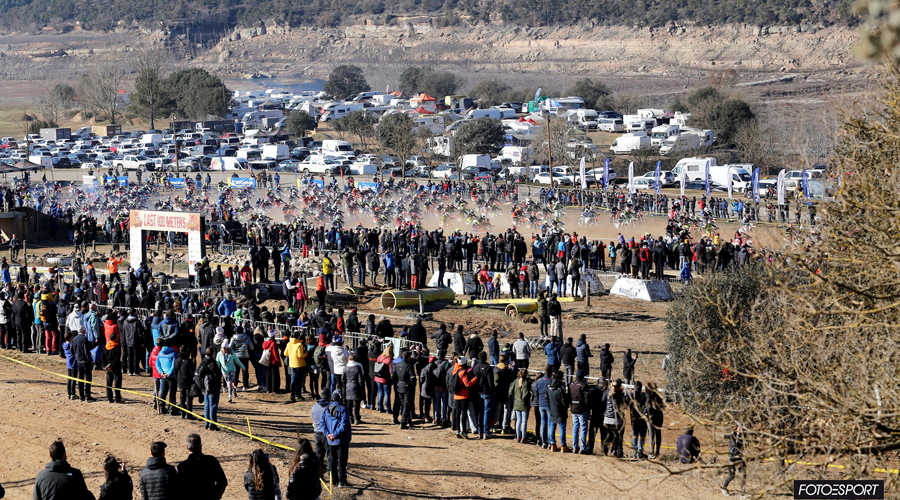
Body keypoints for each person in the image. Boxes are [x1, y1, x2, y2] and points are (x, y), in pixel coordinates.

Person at [177, 434, 227, 500]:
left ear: (187, 447)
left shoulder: (182, 466)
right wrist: (216, 496)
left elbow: (179, 488)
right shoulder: (211, 460)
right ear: (201, 446)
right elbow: (222, 482)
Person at [322, 390, 352, 488]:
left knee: (332, 460)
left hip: (330, 440)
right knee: (342, 461)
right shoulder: (343, 409)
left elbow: (322, 423)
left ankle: (333, 480)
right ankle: (342, 481)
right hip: (341, 439)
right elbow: (344, 424)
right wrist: (335, 434)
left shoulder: (326, 409)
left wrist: (328, 434)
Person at [547, 370, 571, 452]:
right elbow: (564, 401)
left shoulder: (549, 387)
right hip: (561, 410)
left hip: (552, 409)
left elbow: (546, 398)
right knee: (562, 428)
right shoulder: (561, 388)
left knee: (552, 427)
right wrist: (566, 405)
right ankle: (563, 445)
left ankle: (552, 444)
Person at [199, 347, 223, 431]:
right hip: (213, 387)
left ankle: (207, 423)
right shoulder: (213, 363)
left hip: (205, 387)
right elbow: (217, 376)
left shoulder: (203, 362)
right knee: (213, 406)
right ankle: (212, 424)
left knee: (207, 406)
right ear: (213, 353)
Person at [509, 368, 532, 444]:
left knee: (518, 421)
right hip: (524, 404)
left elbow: (510, 391)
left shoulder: (516, 381)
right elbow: (525, 393)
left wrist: (515, 398)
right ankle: (523, 437)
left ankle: (518, 436)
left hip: (516, 403)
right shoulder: (526, 382)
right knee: (524, 421)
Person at [722, 424, 746, 497]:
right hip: (732, 458)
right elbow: (736, 445)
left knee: (743, 475)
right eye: (739, 427)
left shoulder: (742, 436)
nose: (741, 428)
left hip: (739, 458)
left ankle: (743, 494)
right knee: (732, 475)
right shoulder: (732, 435)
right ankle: (724, 488)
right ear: (737, 428)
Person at [569, 370, 590, 454]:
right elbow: (587, 399)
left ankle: (574, 446)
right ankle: (582, 447)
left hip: (573, 408)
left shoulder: (571, 385)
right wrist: (587, 408)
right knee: (583, 428)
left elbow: (569, 397)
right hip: (582, 409)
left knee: (575, 427)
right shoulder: (583, 385)